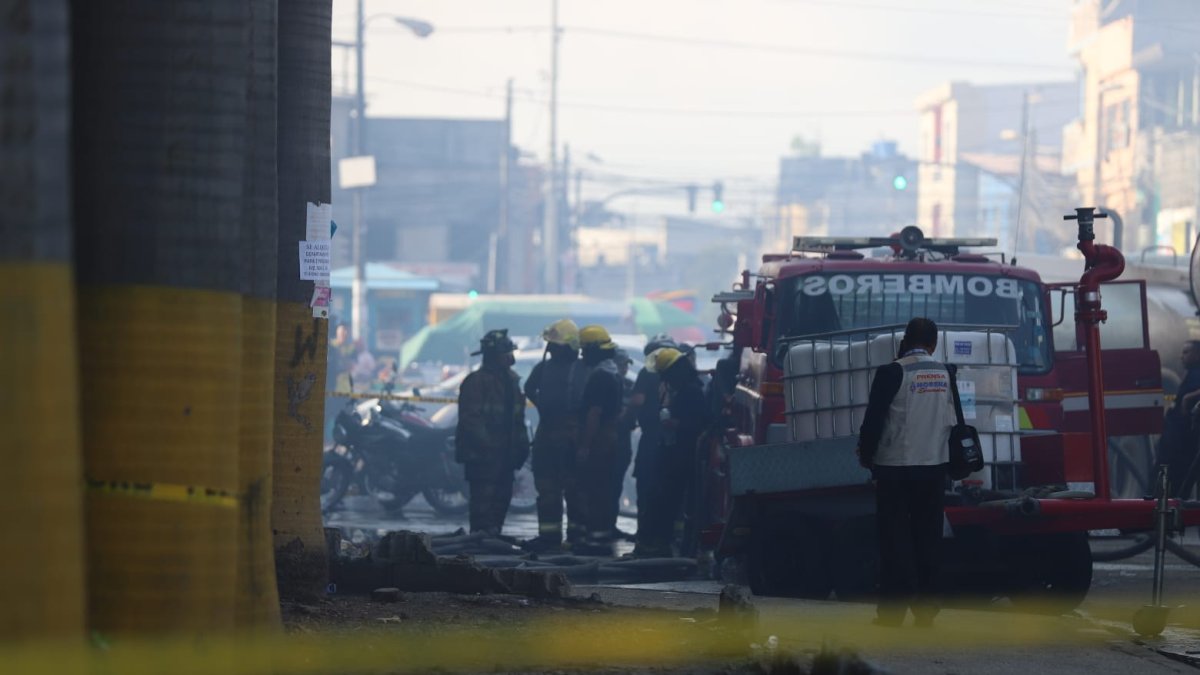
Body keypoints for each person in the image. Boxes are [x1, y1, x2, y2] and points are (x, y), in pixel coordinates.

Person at [856, 318, 956, 628]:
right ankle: (926, 611)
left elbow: (873, 420)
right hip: (933, 469)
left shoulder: (891, 372)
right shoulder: (947, 374)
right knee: (928, 538)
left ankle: (892, 612)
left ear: (905, 340)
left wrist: (866, 455)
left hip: (895, 470)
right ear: (933, 344)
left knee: (894, 540)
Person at [455, 329, 530, 536]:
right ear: (494, 356)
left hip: (506, 456)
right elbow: (470, 420)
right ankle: (480, 545)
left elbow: (518, 419)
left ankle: (494, 539)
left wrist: (522, 447)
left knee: (501, 500)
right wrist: (489, 447)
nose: (511, 357)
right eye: (506, 353)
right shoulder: (476, 382)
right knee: (483, 505)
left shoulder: (512, 382)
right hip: (483, 458)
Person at [635, 347, 707, 557]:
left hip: (681, 456)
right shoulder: (681, 390)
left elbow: (699, 424)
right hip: (672, 453)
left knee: (665, 500)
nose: (665, 381)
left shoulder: (691, 392)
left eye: (667, 376)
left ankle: (658, 544)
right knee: (659, 498)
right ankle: (654, 544)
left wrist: (674, 423)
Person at [523, 319, 586, 551]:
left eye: (555, 345)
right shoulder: (544, 368)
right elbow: (528, 388)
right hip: (548, 436)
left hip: (571, 439)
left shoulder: (581, 369)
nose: (551, 349)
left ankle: (577, 537)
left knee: (575, 490)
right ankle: (549, 537)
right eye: (550, 345)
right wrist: (543, 408)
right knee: (547, 489)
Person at [574, 325, 624, 554]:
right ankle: (599, 538)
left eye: (585, 350)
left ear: (594, 350)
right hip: (610, 438)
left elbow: (594, 414)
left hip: (600, 441)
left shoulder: (600, 377)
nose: (582, 355)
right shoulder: (612, 373)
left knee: (593, 489)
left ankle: (593, 543)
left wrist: (585, 446)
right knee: (603, 489)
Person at [628, 335, 676, 557]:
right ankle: (665, 539)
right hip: (671, 442)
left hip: (651, 439)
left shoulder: (647, 373)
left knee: (645, 489)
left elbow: (637, 401)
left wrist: (627, 421)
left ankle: (645, 539)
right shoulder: (680, 375)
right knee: (666, 490)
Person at [1159, 341, 1200, 495]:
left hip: (1184, 442)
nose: (1181, 357)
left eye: (1186, 352)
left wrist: (1188, 398)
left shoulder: (1197, 374)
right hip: (1177, 440)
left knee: (1178, 482)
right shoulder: (1192, 374)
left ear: (1197, 354)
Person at [606, 348, 637, 541]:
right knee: (603, 485)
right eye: (622, 364)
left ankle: (611, 525)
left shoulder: (629, 386)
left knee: (616, 485)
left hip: (623, 440)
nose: (625, 368)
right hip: (606, 440)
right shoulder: (604, 383)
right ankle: (601, 526)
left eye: (626, 364)